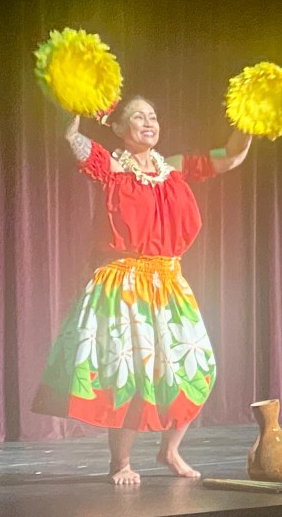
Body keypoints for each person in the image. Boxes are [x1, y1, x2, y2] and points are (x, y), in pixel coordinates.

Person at [32, 96, 252, 485]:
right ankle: (121, 463)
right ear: (118, 127)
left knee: (196, 367)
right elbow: (74, 138)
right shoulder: (113, 167)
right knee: (128, 375)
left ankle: (169, 449)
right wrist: (74, 104)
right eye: (138, 116)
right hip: (123, 282)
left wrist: (250, 120)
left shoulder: (178, 169)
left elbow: (232, 156)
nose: (149, 122)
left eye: (153, 115)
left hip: (168, 283)